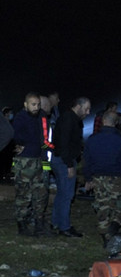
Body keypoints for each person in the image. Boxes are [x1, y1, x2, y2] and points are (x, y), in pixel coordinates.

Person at [82, 111, 121, 253]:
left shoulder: (92, 139)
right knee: (120, 206)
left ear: (102, 122)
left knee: (102, 206)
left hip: (98, 178)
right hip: (115, 179)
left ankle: (106, 236)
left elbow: (86, 162)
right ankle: (112, 230)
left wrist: (88, 179)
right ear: (116, 123)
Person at [50, 96, 91, 237]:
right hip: (63, 161)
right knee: (67, 194)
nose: (88, 112)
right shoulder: (69, 118)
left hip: (62, 159)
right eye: (86, 109)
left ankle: (56, 222)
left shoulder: (72, 119)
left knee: (62, 193)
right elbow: (63, 142)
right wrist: (69, 164)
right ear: (78, 106)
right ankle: (64, 227)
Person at [11, 93, 49, 236]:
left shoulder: (41, 116)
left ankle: (39, 223)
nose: (36, 107)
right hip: (24, 161)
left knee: (40, 193)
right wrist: (21, 145)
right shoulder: (20, 118)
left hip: (39, 159)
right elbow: (16, 135)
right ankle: (22, 223)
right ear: (26, 104)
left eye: (38, 104)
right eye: (33, 104)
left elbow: (44, 137)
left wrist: (45, 159)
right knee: (23, 193)